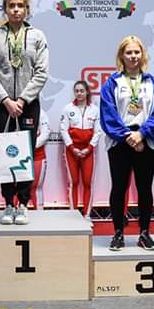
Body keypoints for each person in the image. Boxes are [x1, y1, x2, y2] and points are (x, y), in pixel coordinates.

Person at [0, 0, 49, 225]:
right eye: (11, 6)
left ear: (27, 9)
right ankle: (8, 203)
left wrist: (21, 100)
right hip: (2, 105)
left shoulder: (37, 37)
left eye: (20, 5)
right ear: (5, 9)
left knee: (25, 154)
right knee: (6, 153)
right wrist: (6, 100)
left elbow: (41, 73)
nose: (16, 10)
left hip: (28, 104)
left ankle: (22, 204)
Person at [101, 36, 154, 251]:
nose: (133, 56)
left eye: (136, 52)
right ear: (121, 56)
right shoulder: (112, 83)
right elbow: (108, 114)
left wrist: (142, 134)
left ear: (143, 55)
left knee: (144, 188)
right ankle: (118, 232)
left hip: (146, 141)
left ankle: (144, 233)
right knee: (119, 188)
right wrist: (127, 136)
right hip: (120, 142)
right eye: (128, 52)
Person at [61, 81, 100, 216]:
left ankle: (86, 215)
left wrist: (89, 148)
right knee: (74, 182)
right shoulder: (68, 109)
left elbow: (98, 132)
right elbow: (63, 130)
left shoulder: (94, 109)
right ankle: (73, 215)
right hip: (71, 151)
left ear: (87, 92)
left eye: (82, 91)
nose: (79, 93)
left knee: (88, 183)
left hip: (88, 152)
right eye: (76, 91)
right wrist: (72, 148)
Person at [29, 109, 50, 209]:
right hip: (19, 155)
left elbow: (45, 133)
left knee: (36, 187)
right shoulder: (15, 110)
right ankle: (16, 214)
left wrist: (30, 146)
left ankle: (40, 215)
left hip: (37, 155)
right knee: (17, 188)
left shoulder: (41, 112)